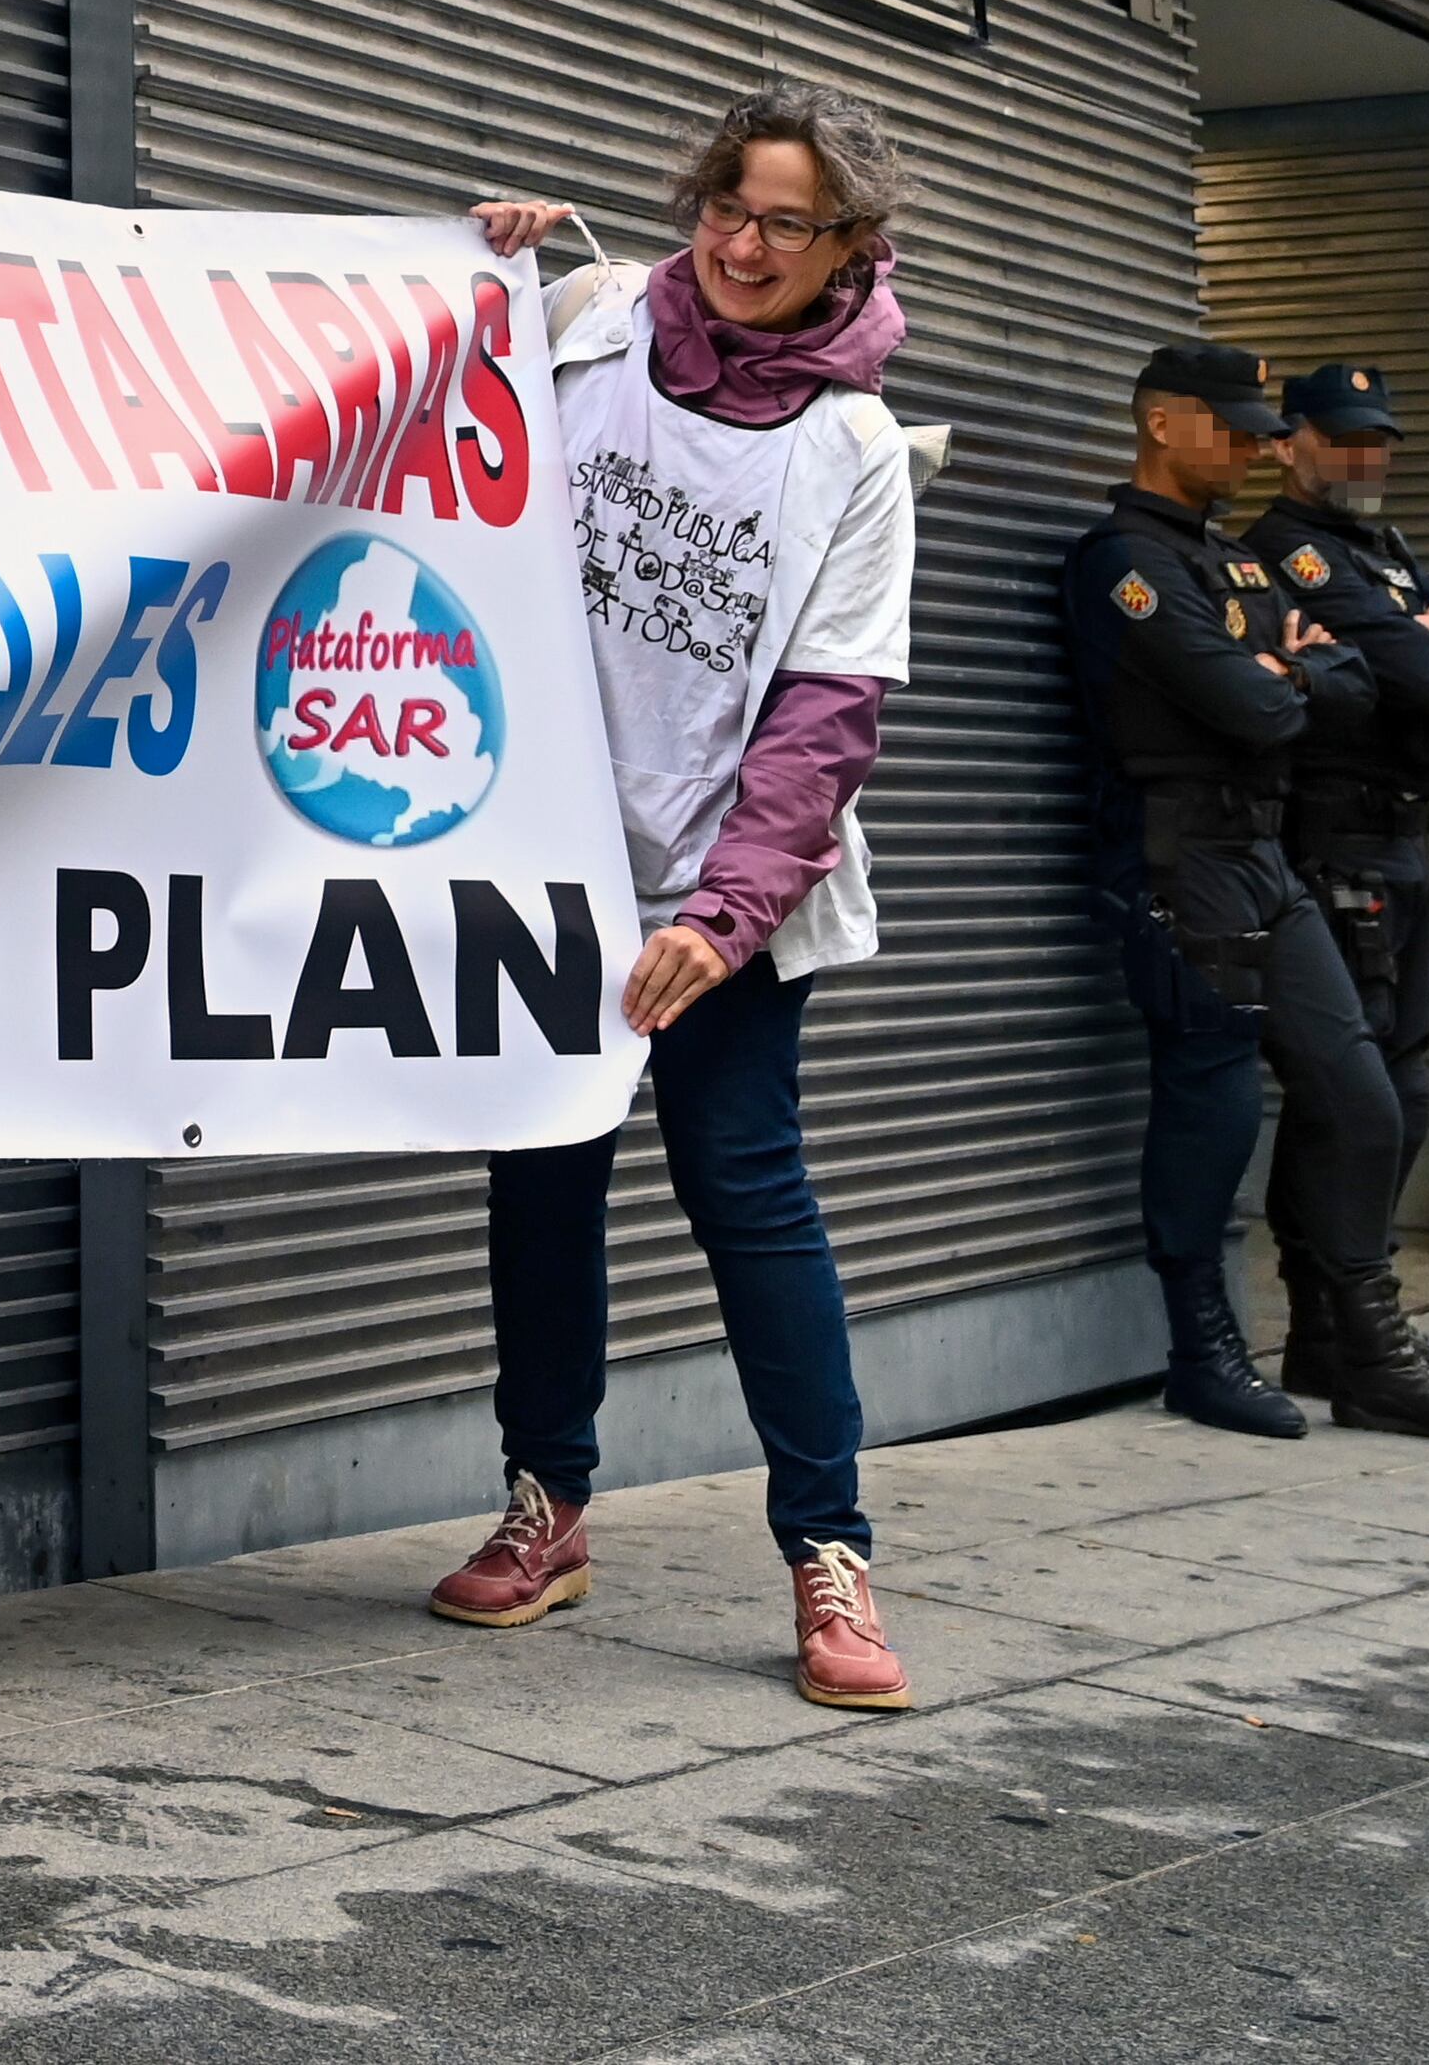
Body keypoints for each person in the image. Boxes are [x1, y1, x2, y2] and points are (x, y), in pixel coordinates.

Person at [416, 83, 926, 1715]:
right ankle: (546, 1505)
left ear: (850, 244)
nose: (745, 241)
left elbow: (830, 710)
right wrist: (467, 260)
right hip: (549, 859)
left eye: (787, 218)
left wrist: (724, 912)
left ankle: (829, 1550)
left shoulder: (853, 445)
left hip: (724, 888)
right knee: (543, 1178)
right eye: (726, 202)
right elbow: (417, 387)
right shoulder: (592, 322)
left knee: (745, 1189)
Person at [1065, 348, 1429, 1449]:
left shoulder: (1231, 563)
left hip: (1265, 856)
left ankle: (1360, 1346)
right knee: (1208, 1106)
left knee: (1362, 1099)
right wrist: (1296, 677)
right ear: (1166, 425)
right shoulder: (1121, 560)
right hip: (1184, 862)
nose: (1259, 446)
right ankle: (1202, 1353)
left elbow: (1350, 693)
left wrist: (1294, 676)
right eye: (1234, 427)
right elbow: (1260, 708)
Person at [1244, 364, 1429, 1397]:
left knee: (1397, 1084)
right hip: (1337, 841)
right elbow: (1425, 677)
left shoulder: (1381, 550)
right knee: (1350, 1099)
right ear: (1289, 441)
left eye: (1379, 439)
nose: (1367, 457)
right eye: (1345, 437)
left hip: (1401, 840)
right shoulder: (1291, 552)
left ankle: (1354, 1314)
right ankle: (1344, 1326)